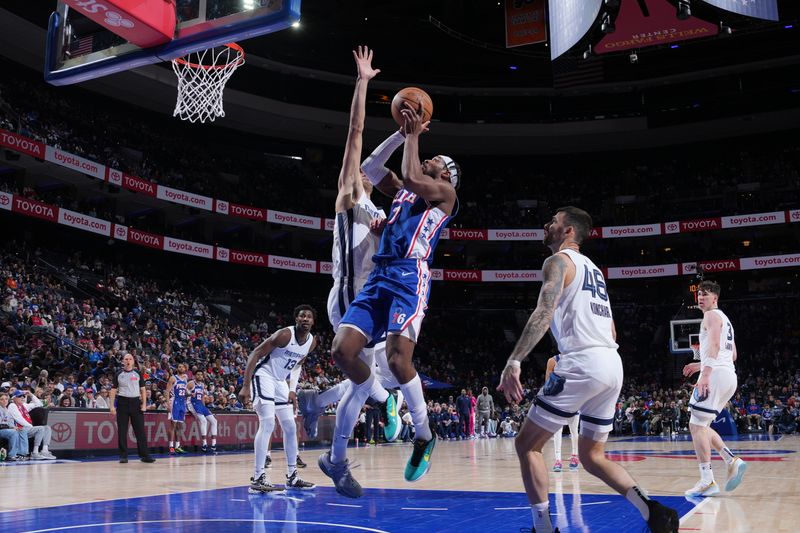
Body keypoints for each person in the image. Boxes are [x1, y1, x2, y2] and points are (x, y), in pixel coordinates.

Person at [320, 72, 461, 496]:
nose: (430, 158)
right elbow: (369, 168)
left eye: (437, 161)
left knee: (400, 361)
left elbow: (413, 177)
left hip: (410, 277)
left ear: (446, 177)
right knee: (341, 351)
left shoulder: (444, 196)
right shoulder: (400, 193)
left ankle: (423, 434)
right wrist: (402, 134)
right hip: (379, 276)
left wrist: (414, 137)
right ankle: (385, 402)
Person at [498, 206, 678, 533]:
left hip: (582, 362)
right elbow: (612, 332)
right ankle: (653, 511)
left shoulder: (557, 262)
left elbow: (544, 310)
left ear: (568, 231)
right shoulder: (594, 270)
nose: (546, 224)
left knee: (527, 445)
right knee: (592, 455)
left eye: (553, 221)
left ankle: (542, 528)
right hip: (612, 364)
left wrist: (515, 360)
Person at [297, 46, 403, 449]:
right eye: (359, 167)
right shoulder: (348, 195)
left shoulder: (379, 209)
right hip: (348, 293)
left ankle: (319, 401)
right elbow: (356, 134)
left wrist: (383, 231)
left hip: (370, 292)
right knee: (368, 377)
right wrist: (363, 83)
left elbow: (377, 163)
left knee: (364, 376)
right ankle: (388, 402)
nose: (362, 168)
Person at [239, 305, 318, 494]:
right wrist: (246, 385)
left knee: (290, 427)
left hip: (281, 381)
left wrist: (292, 389)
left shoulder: (312, 342)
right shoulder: (284, 335)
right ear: (296, 319)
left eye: (309, 317)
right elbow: (256, 353)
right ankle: (258, 477)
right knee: (267, 423)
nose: (305, 319)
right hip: (264, 376)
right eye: (301, 316)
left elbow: (298, 364)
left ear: (313, 322)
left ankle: (292, 476)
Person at [681, 280, 747, 497]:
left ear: (715, 298)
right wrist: (699, 365)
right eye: (699, 294)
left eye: (706, 294)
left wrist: (705, 374)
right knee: (702, 425)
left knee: (696, 426)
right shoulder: (726, 321)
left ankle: (707, 481)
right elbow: (733, 355)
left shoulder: (710, 316)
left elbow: (716, 347)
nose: (701, 297)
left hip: (716, 374)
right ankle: (731, 460)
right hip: (729, 376)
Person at [109, 353, 155, 464]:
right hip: (122, 403)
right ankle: (123, 456)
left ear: (133, 361)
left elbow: (143, 390)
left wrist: (144, 404)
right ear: (123, 361)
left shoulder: (138, 373)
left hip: (135, 402)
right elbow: (113, 390)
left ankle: (144, 455)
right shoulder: (118, 374)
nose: (128, 360)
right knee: (122, 431)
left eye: (130, 359)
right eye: (126, 359)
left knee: (140, 431)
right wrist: (111, 406)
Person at [545, 356, 580, 472]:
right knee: (557, 431)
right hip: (558, 401)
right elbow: (548, 382)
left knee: (574, 431)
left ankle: (575, 456)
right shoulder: (552, 361)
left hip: (573, 400)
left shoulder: (578, 360)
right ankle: (558, 460)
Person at [8, 389, 56, 460]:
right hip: (19, 429)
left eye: (24, 396)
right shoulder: (12, 406)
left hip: (27, 428)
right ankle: (35, 452)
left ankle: (44, 450)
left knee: (47, 427)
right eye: (20, 396)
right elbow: (19, 419)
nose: (22, 397)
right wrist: (31, 427)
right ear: (14, 398)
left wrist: (31, 395)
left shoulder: (24, 405)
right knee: (41, 428)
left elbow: (39, 404)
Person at [187, 371, 219, 453]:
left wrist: (204, 406)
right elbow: (183, 392)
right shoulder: (191, 383)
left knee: (214, 421)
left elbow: (201, 397)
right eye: (198, 374)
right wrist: (190, 394)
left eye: (201, 374)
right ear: (195, 376)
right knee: (203, 421)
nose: (200, 376)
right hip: (192, 404)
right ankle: (204, 444)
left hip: (200, 404)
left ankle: (213, 444)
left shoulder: (202, 385)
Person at [166, 363, 189, 455]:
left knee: (179, 426)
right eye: (179, 366)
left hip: (182, 403)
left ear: (185, 368)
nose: (180, 368)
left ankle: (177, 446)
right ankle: (171, 447)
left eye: (182, 367)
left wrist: (189, 394)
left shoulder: (185, 379)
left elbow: (183, 391)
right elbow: (167, 391)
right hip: (174, 402)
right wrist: (167, 404)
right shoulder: (173, 378)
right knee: (173, 425)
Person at [0, 392, 29, 460]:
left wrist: (16, 427)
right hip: (1, 429)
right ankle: (12, 455)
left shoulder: (7, 410)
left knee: (22, 430)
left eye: (6, 399)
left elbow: (10, 423)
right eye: (2, 399)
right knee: (13, 432)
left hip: (7, 429)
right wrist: (11, 427)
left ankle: (21, 454)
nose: (5, 401)